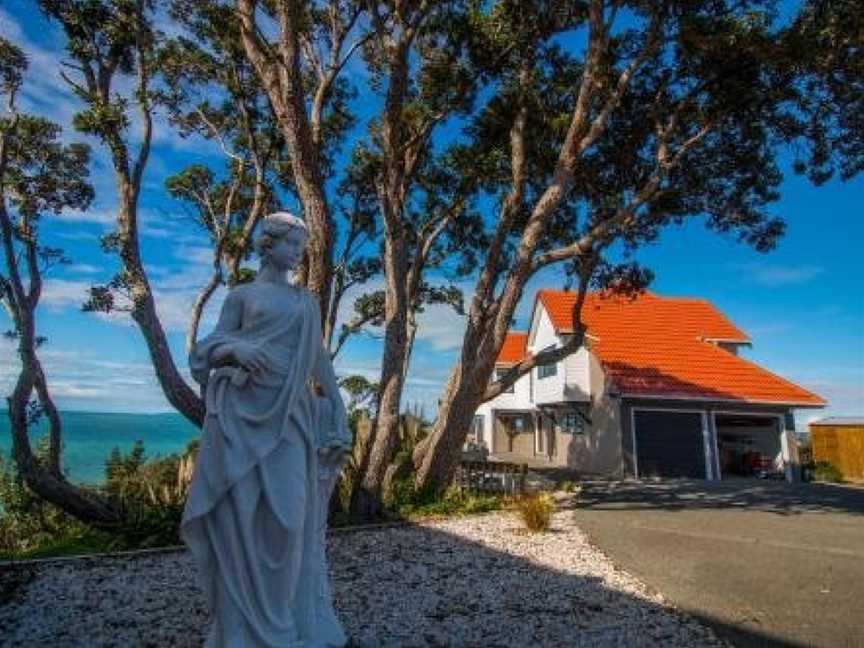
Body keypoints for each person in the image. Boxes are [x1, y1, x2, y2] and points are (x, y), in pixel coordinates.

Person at [181, 212, 351, 648]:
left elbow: (317, 358)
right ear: (268, 245)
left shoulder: (304, 304)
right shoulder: (241, 296)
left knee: (290, 519)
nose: (297, 254)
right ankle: (238, 630)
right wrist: (236, 347)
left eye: (301, 246)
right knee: (240, 521)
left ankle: (283, 623)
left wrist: (335, 402)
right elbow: (206, 351)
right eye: (292, 244)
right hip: (238, 418)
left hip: (290, 417)